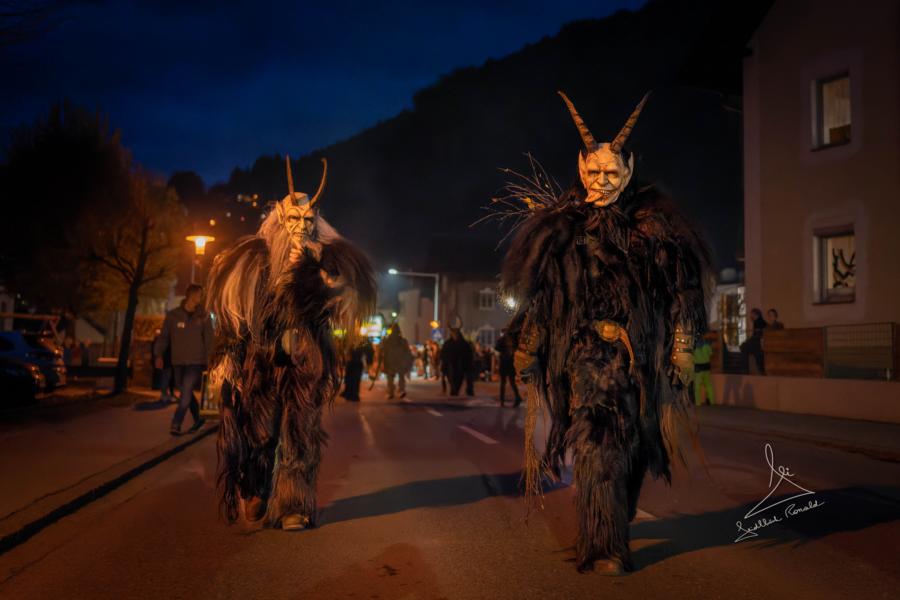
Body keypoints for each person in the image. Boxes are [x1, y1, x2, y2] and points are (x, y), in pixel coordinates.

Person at [500, 92, 709, 574]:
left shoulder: (654, 228)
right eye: (594, 171)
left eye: (612, 172)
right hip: (586, 354)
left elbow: (682, 291)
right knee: (597, 442)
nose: (602, 180)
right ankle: (603, 546)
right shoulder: (564, 229)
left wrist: (681, 347)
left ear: (628, 171)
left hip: (642, 355)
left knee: (633, 445)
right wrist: (530, 345)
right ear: (581, 169)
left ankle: (616, 518)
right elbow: (544, 294)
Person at [207, 156, 376, 531]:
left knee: (300, 430)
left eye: (308, 220)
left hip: (304, 357)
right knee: (259, 426)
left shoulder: (325, 260)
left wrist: (315, 275)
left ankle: (293, 505)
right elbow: (234, 316)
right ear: (280, 219)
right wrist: (226, 359)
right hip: (261, 356)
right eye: (294, 219)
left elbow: (342, 304)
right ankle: (256, 487)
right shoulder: (253, 258)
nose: (301, 227)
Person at [154, 283, 214, 435]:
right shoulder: (173, 316)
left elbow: (209, 340)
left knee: (185, 393)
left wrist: (211, 361)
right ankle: (199, 418)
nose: (201, 297)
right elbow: (164, 337)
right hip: (178, 362)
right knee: (184, 391)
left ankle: (176, 423)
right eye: (200, 294)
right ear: (191, 295)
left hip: (196, 362)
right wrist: (159, 354)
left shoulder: (204, 316)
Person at [382, 324, 412, 399]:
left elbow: (407, 352)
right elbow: (384, 352)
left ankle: (395, 391)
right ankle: (395, 391)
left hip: (396, 361)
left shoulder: (390, 341)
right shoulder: (389, 341)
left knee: (393, 378)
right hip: (395, 361)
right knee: (394, 378)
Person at [440, 327, 473, 396]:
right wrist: (444, 362)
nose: (455, 335)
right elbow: (443, 354)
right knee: (451, 377)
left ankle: (456, 389)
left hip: (460, 365)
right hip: (450, 365)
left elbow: (469, 355)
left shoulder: (464, 344)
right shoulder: (448, 344)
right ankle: (453, 389)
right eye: (454, 334)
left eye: (456, 334)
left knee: (459, 378)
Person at [494, 330, 521, 407]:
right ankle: (517, 397)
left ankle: (502, 401)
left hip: (505, 363)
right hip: (510, 363)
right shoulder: (513, 340)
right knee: (511, 382)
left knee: (503, 383)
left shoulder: (503, 340)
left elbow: (496, 347)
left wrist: (501, 339)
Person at [740, 308, 767, 374]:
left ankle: (745, 369)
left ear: (755, 314)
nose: (750, 316)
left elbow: (758, 335)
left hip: (757, 343)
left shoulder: (758, 322)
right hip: (757, 343)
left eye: (751, 314)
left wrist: (749, 340)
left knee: (743, 347)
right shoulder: (760, 322)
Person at [692, 338, 714, 406]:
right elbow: (710, 353)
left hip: (698, 369)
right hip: (706, 368)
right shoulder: (706, 345)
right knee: (708, 385)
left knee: (697, 386)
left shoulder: (693, 347)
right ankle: (711, 401)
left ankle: (698, 403)